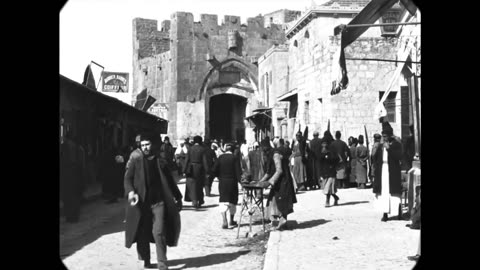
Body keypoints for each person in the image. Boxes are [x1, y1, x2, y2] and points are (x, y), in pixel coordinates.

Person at [124, 133, 183, 270]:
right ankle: (146, 260)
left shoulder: (160, 161)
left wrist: (178, 197)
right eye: (142, 145)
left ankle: (162, 262)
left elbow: (169, 181)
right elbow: (127, 178)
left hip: (159, 202)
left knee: (159, 232)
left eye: (147, 144)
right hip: (142, 204)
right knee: (143, 233)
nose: (145, 147)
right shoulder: (135, 159)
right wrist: (131, 192)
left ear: (153, 145)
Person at [259, 138, 297, 230]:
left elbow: (279, 170)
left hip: (283, 180)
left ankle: (283, 221)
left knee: (282, 201)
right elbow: (268, 172)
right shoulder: (269, 155)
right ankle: (282, 222)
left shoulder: (275, 154)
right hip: (278, 182)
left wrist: (270, 182)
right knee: (273, 201)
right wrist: (260, 182)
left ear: (266, 148)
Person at [373, 121, 403, 222]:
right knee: (384, 193)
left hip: (392, 171)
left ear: (390, 136)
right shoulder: (381, 147)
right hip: (383, 171)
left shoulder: (396, 144)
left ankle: (398, 212)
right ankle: (385, 214)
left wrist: (389, 149)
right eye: (383, 136)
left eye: (386, 136)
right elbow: (376, 158)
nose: (384, 138)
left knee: (394, 193)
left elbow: (398, 157)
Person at [212, 143, 241, 229]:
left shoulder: (220, 157)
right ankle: (231, 220)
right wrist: (241, 182)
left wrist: (218, 176)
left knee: (223, 199)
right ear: (232, 150)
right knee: (232, 200)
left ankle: (224, 220)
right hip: (232, 181)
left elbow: (214, 169)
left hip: (223, 182)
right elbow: (238, 171)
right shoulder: (235, 158)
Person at [60, 131, 85, 223]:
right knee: (74, 196)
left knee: (68, 196)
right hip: (76, 173)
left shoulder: (65, 145)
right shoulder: (78, 147)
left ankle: (70, 216)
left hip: (67, 173)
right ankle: (74, 216)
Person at [183, 135, 209, 208]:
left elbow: (186, 160)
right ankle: (199, 200)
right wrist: (207, 171)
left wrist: (184, 170)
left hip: (190, 168)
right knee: (199, 185)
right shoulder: (202, 149)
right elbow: (205, 161)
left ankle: (194, 200)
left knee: (191, 185)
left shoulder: (190, 149)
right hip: (199, 168)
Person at [319, 134, 340, 207]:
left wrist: (330, 158)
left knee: (328, 188)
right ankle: (336, 197)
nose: (324, 145)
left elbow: (336, 159)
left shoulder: (332, 150)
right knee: (329, 189)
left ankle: (327, 202)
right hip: (325, 172)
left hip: (331, 172)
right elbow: (320, 162)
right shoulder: (321, 151)